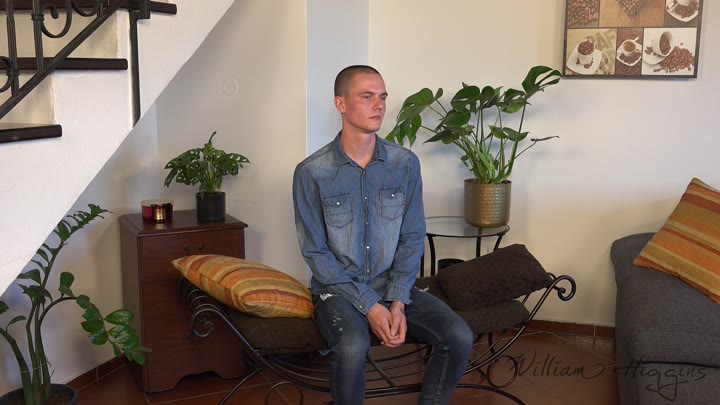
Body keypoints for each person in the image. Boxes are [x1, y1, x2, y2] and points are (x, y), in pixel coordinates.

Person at [292, 65, 473, 405]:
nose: (379, 105)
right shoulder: (311, 172)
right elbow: (316, 253)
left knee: (459, 336)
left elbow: (412, 236)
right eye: (367, 97)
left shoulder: (405, 164)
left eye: (382, 97)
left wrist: (398, 302)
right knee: (351, 345)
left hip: (394, 286)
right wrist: (371, 306)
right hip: (338, 292)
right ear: (341, 104)